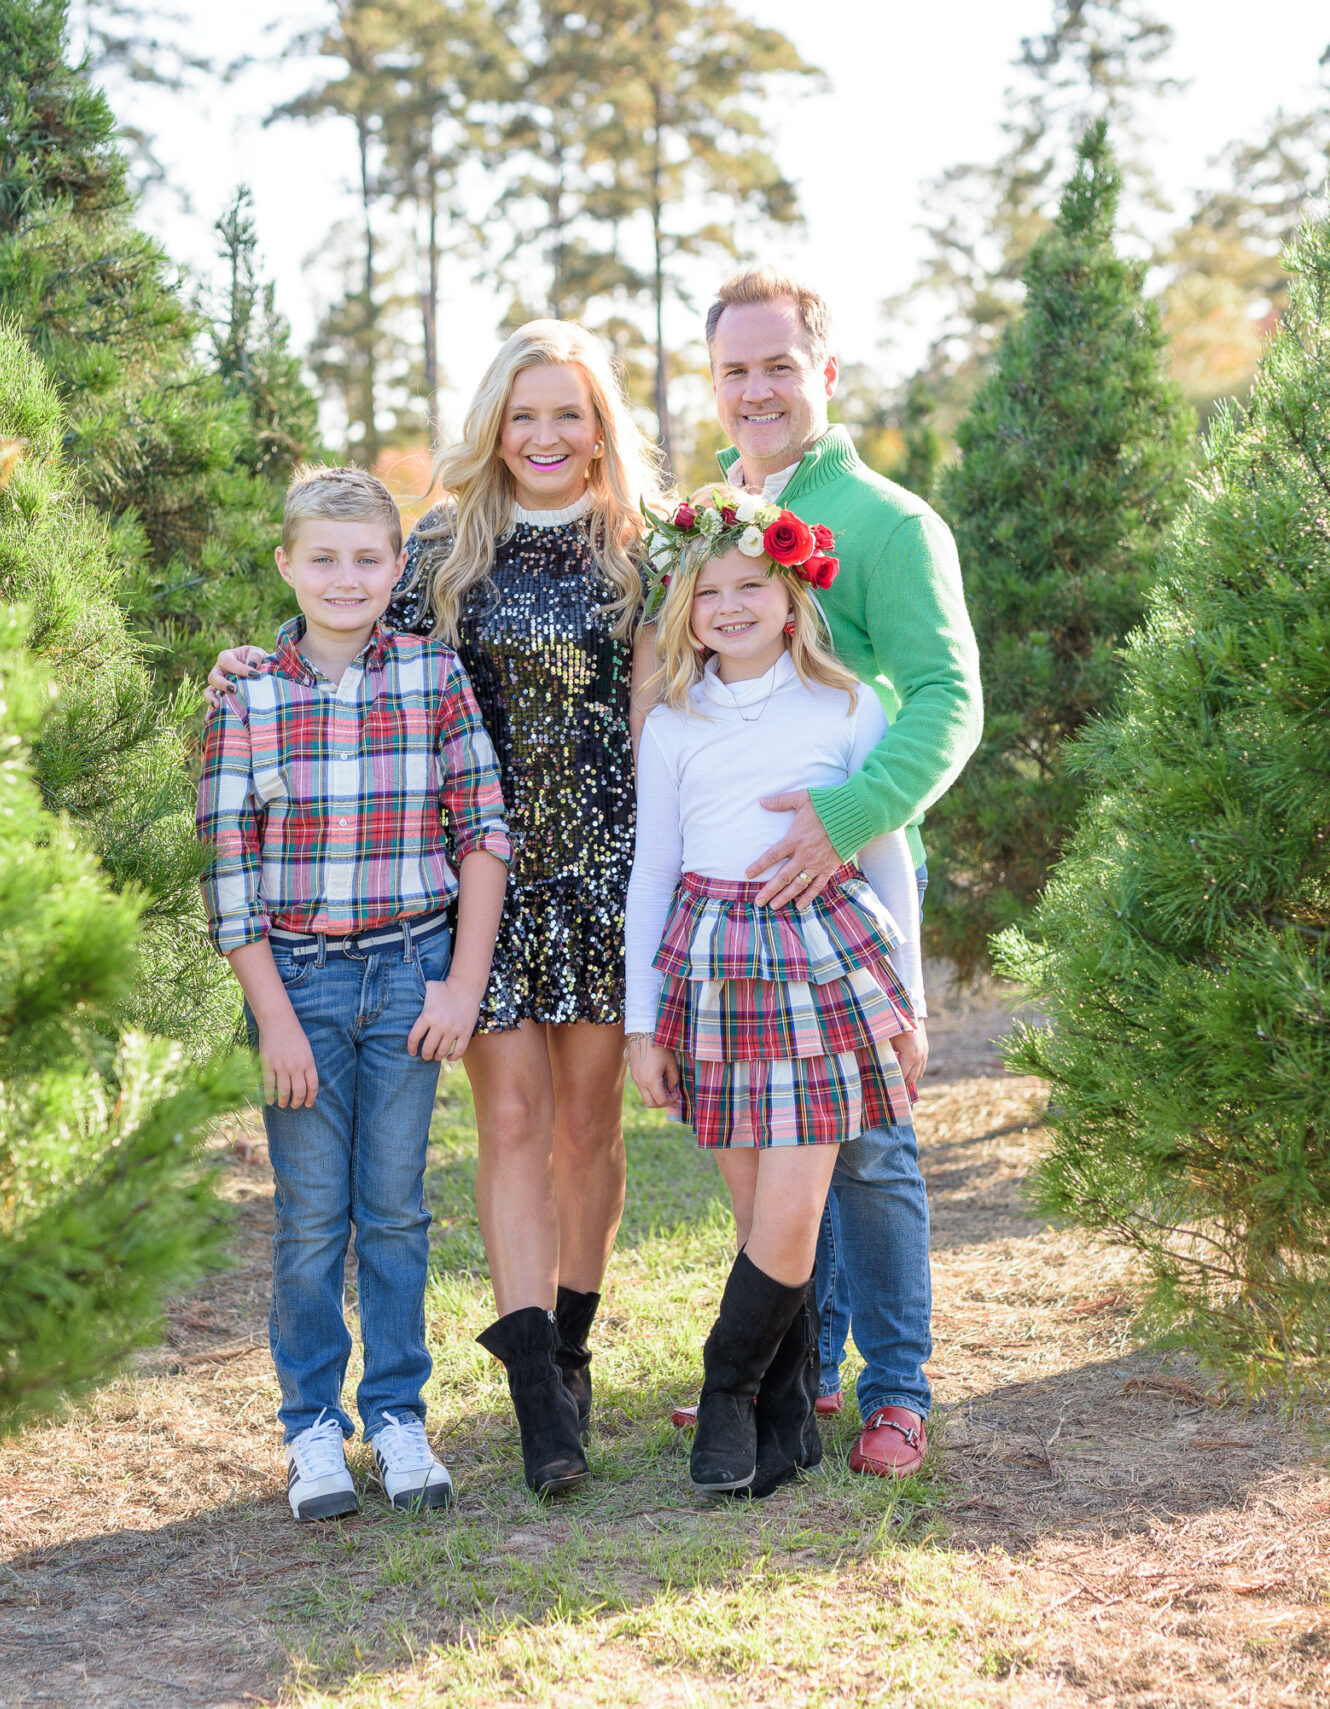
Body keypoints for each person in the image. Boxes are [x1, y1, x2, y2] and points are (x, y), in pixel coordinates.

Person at [212, 322, 664, 1497]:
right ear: (493, 426)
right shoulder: (442, 547)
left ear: (600, 423)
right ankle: (533, 1403)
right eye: (523, 415)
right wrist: (249, 665)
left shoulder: (642, 551)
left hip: (607, 876)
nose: (546, 436)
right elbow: (342, 642)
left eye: (568, 413)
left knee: (587, 1128)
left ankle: (568, 1341)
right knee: (510, 1119)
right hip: (474, 875)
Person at [666, 267, 983, 1478]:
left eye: (778, 366)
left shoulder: (892, 522)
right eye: (735, 369)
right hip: (736, 899)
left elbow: (949, 699)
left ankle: (899, 1386)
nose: (757, 389)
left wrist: (848, 815)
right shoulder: (707, 529)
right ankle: (803, 1367)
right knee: (780, 1132)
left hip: (853, 873)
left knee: (873, 1135)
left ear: (825, 374)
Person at [197, 467, 513, 1521]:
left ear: (395, 568)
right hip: (299, 985)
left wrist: (460, 984)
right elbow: (228, 868)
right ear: (286, 563)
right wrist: (275, 1017)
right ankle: (312, 1428)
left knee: (394, 1208)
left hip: (409, 975)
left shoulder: (432, 675)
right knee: (309, 1215)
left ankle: (396, 1413)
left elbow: (480, 832)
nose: (345, 577)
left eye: (366, 558)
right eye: (322, 558)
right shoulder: (247, 693)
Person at [625, 497, 926, 1499]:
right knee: (758, 1211)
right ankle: (786, 1415)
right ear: (684, 609)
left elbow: (888, 861)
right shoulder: (672, 726)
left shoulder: (848, 708)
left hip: (826, 964)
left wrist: (911, 1005)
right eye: (706, 591)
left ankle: (725, 1390)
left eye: (750, 584)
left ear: (792, 597)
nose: (730, 604)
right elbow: (651, 872)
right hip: (712, 971)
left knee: (795, 1207)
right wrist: (641, 1021)